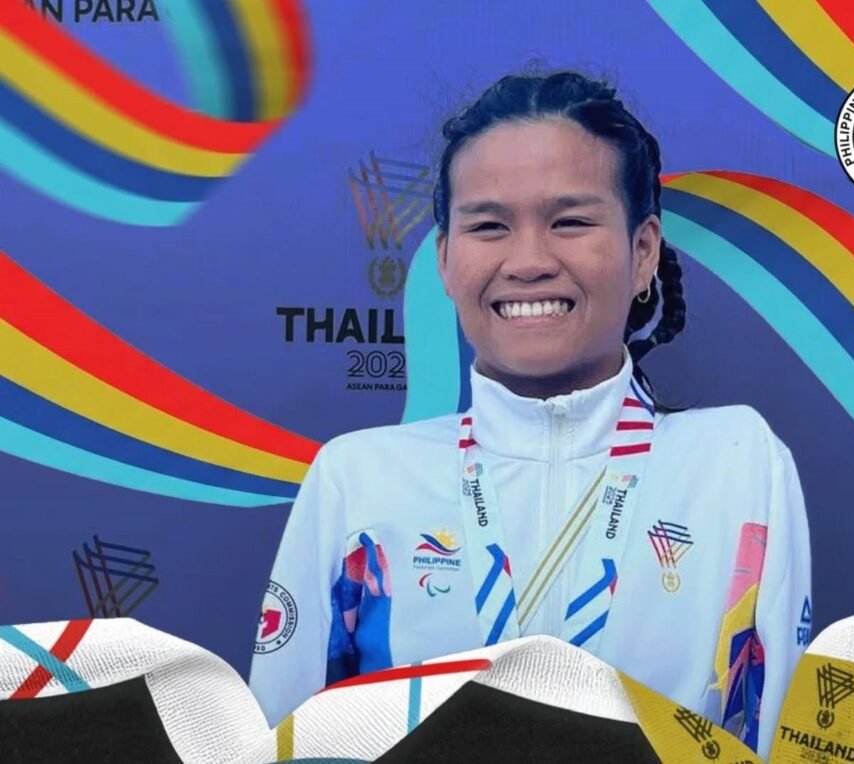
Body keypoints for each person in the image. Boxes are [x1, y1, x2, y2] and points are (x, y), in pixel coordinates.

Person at [249, 70, 812, 759]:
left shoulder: (737, 460)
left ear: (642, 254)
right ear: (447, 261)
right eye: (489, 226)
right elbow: (281, 740)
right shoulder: (357, 478)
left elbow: (778, 731)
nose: (528, 261)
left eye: (570, 222)